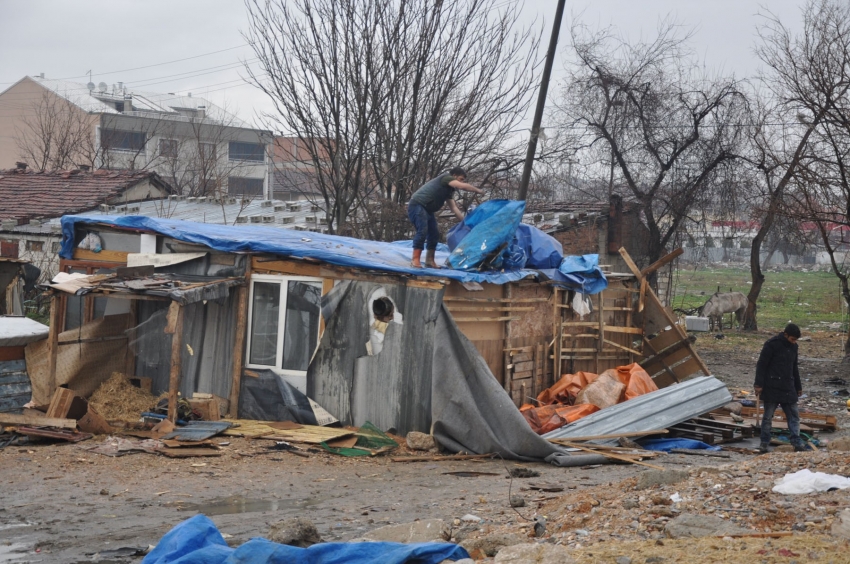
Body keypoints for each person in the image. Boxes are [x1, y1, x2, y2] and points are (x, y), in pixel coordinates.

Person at [407, 167, 484, 268]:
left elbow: (454, 208)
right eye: (460, 179)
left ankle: (429, 261)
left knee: (434, 234)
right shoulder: (446, 178)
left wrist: (465, 223)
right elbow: (462, 186)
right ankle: (415, 260)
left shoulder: (448, 190)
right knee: (422, 230)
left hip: (427, 209)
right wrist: (478, 190)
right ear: (454, 176)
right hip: (417, 205)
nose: (461, 182)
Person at [754, 323, 806, 453]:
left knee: (794, 416)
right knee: (767, 417)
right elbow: (761, 365)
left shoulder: (794, 347)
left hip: (788, 387)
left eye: (796, 340)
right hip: (772, 386)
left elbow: (794, 368)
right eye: (792, 339)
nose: (794, 342)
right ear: (786, 334)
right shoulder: (772, 344)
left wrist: (798, 386)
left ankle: (796, 442)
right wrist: (758, 384)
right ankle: (764, 442)